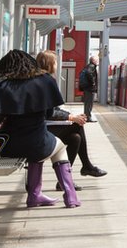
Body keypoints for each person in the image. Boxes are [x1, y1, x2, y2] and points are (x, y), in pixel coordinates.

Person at [0, 50, 80, 208]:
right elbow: (49, 113)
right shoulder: (45, 81)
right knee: (58, 148)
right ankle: (69, 196)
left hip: (7, 146)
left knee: (38, 149)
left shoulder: (3, 86)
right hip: (38, 143)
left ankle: (35, 195)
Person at [37, 51, 108, 192]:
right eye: (56, 62)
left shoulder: (42, 79)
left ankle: (64, 180)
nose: (57, 65)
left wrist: (71, 115)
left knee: (75, 138)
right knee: (77, 126)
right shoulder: (45, 81)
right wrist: (72, 118)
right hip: (39, 129)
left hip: (41, 126)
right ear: (50, 64)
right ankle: (86, 166)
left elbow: (54, 109)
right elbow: (49, 112)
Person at [80, 54, 99, 122]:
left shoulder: (88, 66)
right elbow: (88, 73)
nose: (97, 61)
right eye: (96, 60)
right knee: (89, 103)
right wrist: (93, 83)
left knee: (87, 103)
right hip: (89, 88)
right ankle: (88, 117)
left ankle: (86, 117)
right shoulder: (92, 66)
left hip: (87, 88)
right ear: (93, 61)